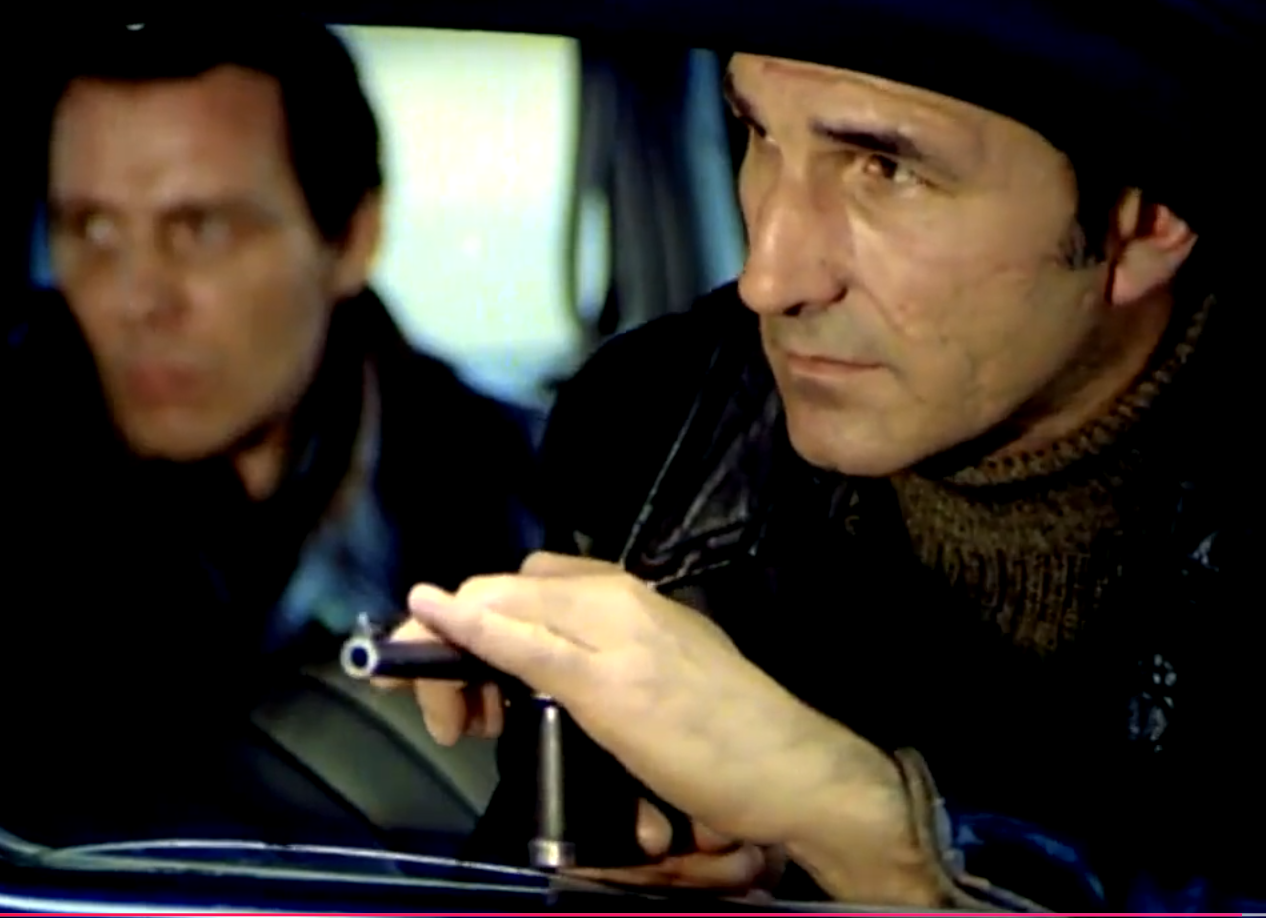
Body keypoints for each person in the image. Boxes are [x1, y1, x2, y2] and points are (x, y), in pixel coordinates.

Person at [391, 0, 1265, 911]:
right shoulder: (656, 436)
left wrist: (869, 835)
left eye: (886, 170)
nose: (770, 276)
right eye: (758, 135)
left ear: (1146, 218)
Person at [0, 16, 536, 848]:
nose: (136, 299)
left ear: (350, 239)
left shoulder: (524, 496)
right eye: (92, 228)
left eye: (201, 229)